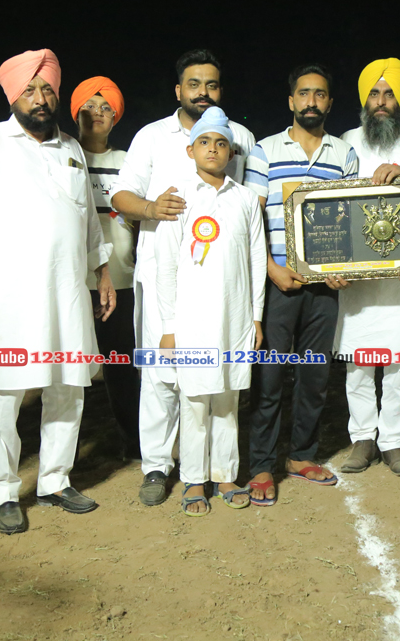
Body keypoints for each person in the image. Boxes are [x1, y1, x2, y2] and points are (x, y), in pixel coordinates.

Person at [0, 49, 115, 535]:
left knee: (68, 386)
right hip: (6, 293)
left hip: (67, 290)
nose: (40, 98)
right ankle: (2, 490)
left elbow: (87, 220)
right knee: (3, 391)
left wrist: (101, 271)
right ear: (12, 96)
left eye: (47, 89)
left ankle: (56, 480)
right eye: (29, 90)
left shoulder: (71, 148)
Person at [110, 49, 256, 506]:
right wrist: (152, 208)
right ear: (179, 90)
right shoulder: (152, 136)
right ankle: (157, 466)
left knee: (220, 382)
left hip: (224, 285)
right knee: (162, 375)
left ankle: (219, 470)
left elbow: (250, 205)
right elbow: (119, 195)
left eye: (211, 84)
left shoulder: (241, 137)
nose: (202, 92)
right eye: (194, 84)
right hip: (164, 274)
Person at [243, 63, 359, 505]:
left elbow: (349, 220)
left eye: (320, 94)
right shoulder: (264, 150)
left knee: (314, 375)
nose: (312, 101)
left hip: (323, 286)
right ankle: (261, 465)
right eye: (304, 93)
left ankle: (301, 455)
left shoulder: (344, 154)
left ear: (329, 102)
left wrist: (343, 268)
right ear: (291, 100)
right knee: (269, 376)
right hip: (278, 283)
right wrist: (271, 269)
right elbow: (251, 217)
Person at [155, 106, 266, 516]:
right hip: (192, 321)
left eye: (221, 143)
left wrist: (255, 317)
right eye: (204, 142)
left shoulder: (246, 200)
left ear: (231, 153)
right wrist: (169, 326)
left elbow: (256, 261)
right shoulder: (178, 199)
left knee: (227, 400)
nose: (213, 149)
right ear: (191, 150)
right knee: (195, 402)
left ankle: (225, 475)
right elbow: (166, 266)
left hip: (235, 319)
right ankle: (193, 479)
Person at [335, 58, 400, 477]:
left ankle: (393, 441)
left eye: (389, 93)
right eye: (374, 93)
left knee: (398, 360)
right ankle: (362, 438)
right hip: (358, 274)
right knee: (358, 359)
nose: (381, 101)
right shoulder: (347, 140)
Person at [71, 77, 138, 455]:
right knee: (71, 368)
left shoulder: (127, 162)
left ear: (115, 117)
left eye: (105, 108)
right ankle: (71, 448)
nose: (97, 113)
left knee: (121, 366)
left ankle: (133, 442)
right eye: (89, 106)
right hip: (73, 283)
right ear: (75, 113)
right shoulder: (63, 156)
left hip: (122, 280)